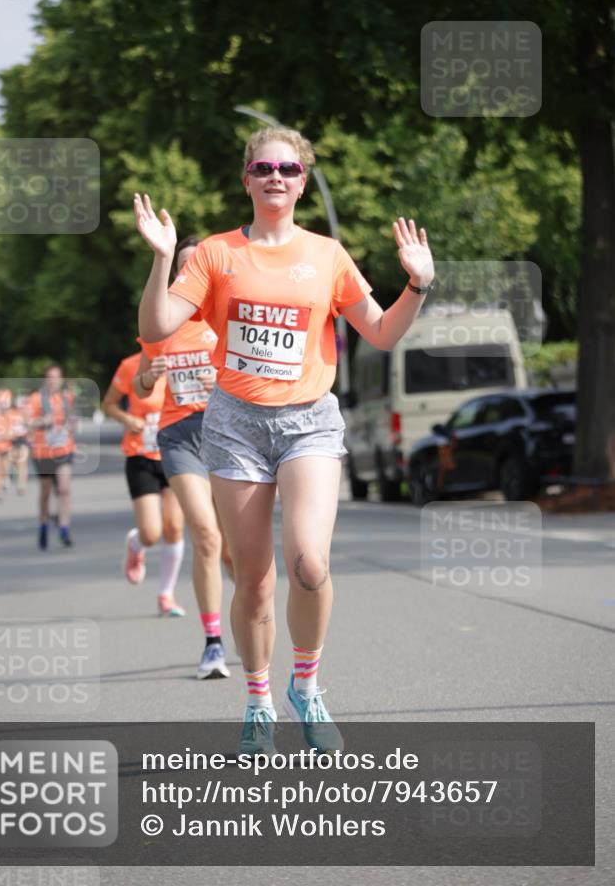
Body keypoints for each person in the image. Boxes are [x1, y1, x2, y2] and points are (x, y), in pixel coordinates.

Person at [134, 126, 435, 753]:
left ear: (302, 180)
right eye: (265, 167)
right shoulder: (216, 254)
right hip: (236, 425)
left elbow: (379, 333)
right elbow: (159, 325)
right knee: (256, 579)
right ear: (247, 178)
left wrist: (418, 285)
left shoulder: (326, 255)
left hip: (309, 422)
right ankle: (258, 701)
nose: (278, 176)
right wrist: (163, 257)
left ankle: (307, 684)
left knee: (309, 563)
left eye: (291, 169)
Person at [135, 235, 234, 680]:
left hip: (230, 437)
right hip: (179, 438)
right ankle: (213, 644)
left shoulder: (229, 316)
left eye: (198, 265)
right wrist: (148, 375)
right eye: (183, 266)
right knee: (206, 535)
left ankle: (253, 617)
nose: (189, 272)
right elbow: (140, 384)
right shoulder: (164, 325)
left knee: (234, 550)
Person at [102, 347, 187, 617]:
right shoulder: (131, 365)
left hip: (176, 454)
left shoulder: (186, 361)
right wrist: (128, 419)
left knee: (174, 526)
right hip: (141, 455)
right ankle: (136, 544)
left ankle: (166, 595)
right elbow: (109, 404)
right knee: (152, 533)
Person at [26, 366, 76, 550]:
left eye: (57, 377)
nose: (53, 381)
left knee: (64, 489)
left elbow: (71, 419)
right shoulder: (35, 399)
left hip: (64, 448)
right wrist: (42, 421)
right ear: (45, 380)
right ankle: (44, 524)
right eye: (50, 377)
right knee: (46, 492)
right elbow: (27, 422)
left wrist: (71, 424)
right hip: (43, 451)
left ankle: (64, 528)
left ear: (61, 379)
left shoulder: (66, 398)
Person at [7, 394, 30, 495]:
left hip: (22, 439)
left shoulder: (26, 414)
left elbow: (30, 426)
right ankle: (12, 473)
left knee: (22, 462)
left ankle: (21, 484)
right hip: (11, 440)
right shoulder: (9, 413)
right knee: (13, 460)